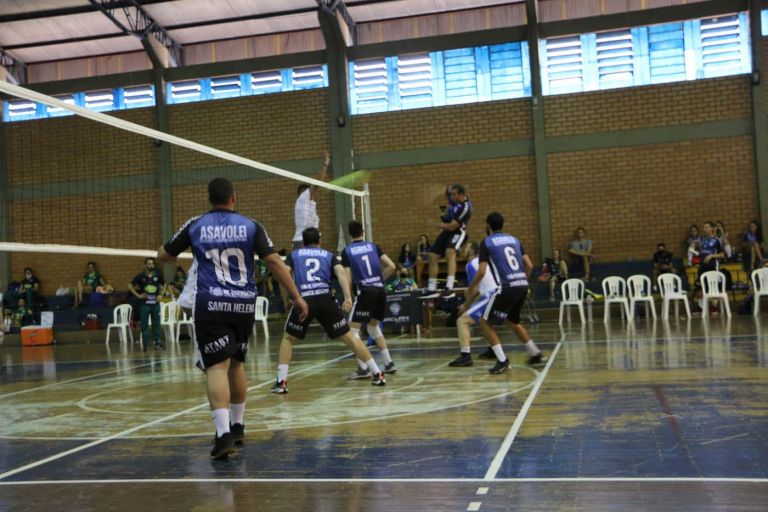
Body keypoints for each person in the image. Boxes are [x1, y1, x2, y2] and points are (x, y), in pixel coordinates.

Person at [158, 177, 308, 460]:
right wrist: (297, 296)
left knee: (216, 367)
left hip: (210, 304)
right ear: (233, 198)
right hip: (243, 305)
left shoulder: (195, 224)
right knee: (237, 364)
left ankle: (223, 434)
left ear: (209, 198)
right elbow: (274, 262)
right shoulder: (252, 225)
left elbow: (164, 255)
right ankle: (238, 426)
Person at [274, 227, 386, 394]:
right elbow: (341, 273)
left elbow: (284, 274)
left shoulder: (294, 254)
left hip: (304, 299)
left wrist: (287, 299)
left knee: (288, 339)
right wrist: (348, 298)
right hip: (326, 299)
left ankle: (281, 382)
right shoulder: (328, 255)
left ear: (302, 242)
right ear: (319, 242)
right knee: (349, 337)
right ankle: (377, 373)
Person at [458, 212, 544, 373]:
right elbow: (530, 266)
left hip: (506, 287)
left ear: (488, 226)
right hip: (522, 285)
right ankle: (535, 352)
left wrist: (471, 287)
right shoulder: (515, 240)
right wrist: (521, 280)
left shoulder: (487, 242)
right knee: (513, 321)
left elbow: (482, 271)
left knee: (485, 321)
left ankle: (502, 360)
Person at [342, 220, 398, 380]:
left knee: (353, 331)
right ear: (363, 231)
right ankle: (389, 363)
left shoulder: (348, 251)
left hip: (365, 292)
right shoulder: (373, 246)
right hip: (380, 290)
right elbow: (392, 266)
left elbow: (348, 277)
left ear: (349, 234)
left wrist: (348, 296)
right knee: (373, 328)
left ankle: (363, 368)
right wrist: (380, 280)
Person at [449, 241, 499, 367]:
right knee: (486, 321)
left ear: (471, 250)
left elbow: (475, 291)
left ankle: (465, 355)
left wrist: (465, 305)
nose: (463, 249)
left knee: (462, 321)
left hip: (490, 297)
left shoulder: (471, 264)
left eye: (465, 247)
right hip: (499, 295)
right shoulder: (484, 262)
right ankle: (492, 349)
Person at [425, 184, 472, 297]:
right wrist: (435, 191)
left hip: (458, 231)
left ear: (461, 195)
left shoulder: (466, 208)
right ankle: (432, 287)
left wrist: (436, 224)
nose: (451, 197)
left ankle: (450, 286)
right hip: (447, 231)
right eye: (450, 194)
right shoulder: (453, 198)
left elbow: (452, 227)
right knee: (432, 255)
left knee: (449, 252)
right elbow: (444, 190)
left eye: (454, 195)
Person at [292, 151, 330, 250]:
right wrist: (325, 165)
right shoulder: (303, 198)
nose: (315, 192)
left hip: (311, 242)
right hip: (302, 242)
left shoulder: (309, 205)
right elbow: (316, 184)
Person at [129, 258, 166, 352]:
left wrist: (161, 294)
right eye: (149, 264)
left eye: (152, 264)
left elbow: (165, 284)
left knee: (156, 324)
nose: (151, 266)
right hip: (144, 305)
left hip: (155, 304)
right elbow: (130, 285)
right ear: (145, 265)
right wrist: (138, 295)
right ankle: (145, 345)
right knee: (144, 325)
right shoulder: (140, 276)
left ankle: (157, 343)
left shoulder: (158, 275)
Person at [693, 221, 725, 311]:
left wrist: (712, 256)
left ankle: (714, 307)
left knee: (712, 288)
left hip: (712, 266)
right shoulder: (702, 240)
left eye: (707, 227)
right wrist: (696, 251)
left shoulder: (716, 240)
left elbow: (722, 254)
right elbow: (701, 253)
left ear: (711, 229)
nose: (704, 229)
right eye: (704, 227)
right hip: (702, 267)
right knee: (698, 287)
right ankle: (702, 307)